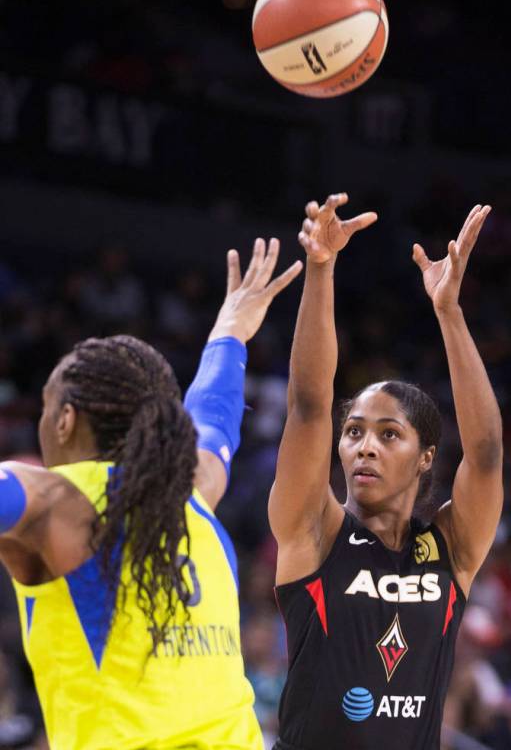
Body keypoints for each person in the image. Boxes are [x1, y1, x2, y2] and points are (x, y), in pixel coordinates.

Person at [0, 237, 303, 750]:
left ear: (66, 420)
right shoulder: (194, 490)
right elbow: (214, 424)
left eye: (46, 412)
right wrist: (230, 333)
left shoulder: (53, 501)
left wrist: (230, 333)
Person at [269, 193, 503, 750]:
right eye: (353, 432)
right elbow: (307, 402)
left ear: (427, 457)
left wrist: (449, 312)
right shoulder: (315, 530)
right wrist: (320, 271)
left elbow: (487, 452)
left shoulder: (453, 545)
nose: (364, 448)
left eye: (388, 434)